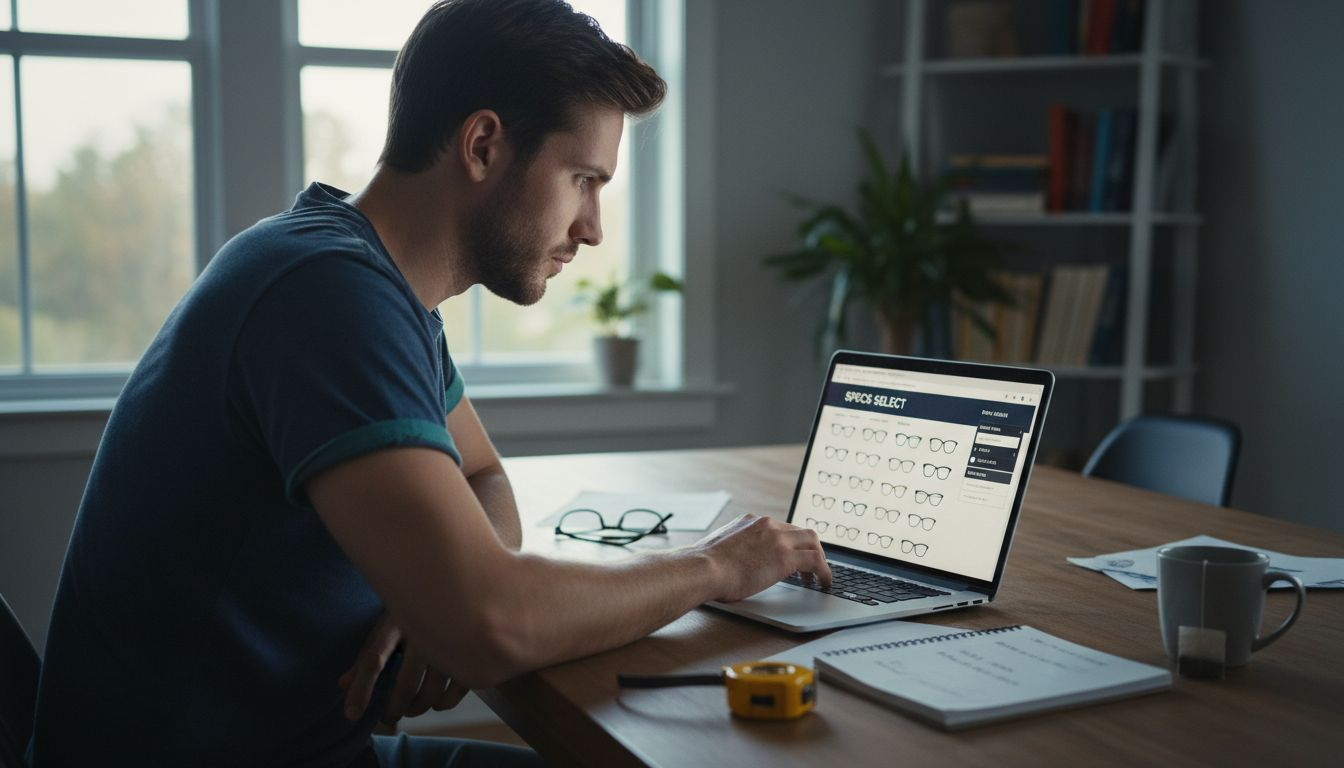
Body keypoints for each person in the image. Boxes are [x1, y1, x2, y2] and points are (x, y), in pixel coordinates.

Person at [28, 1, 831, 765]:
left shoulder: (365, 282)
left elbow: (484, 479)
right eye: (584, 179)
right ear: (483, 144)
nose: (591, 229)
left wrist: (422, 601)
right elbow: (490, 625)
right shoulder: (327, 295)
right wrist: (720, 567)